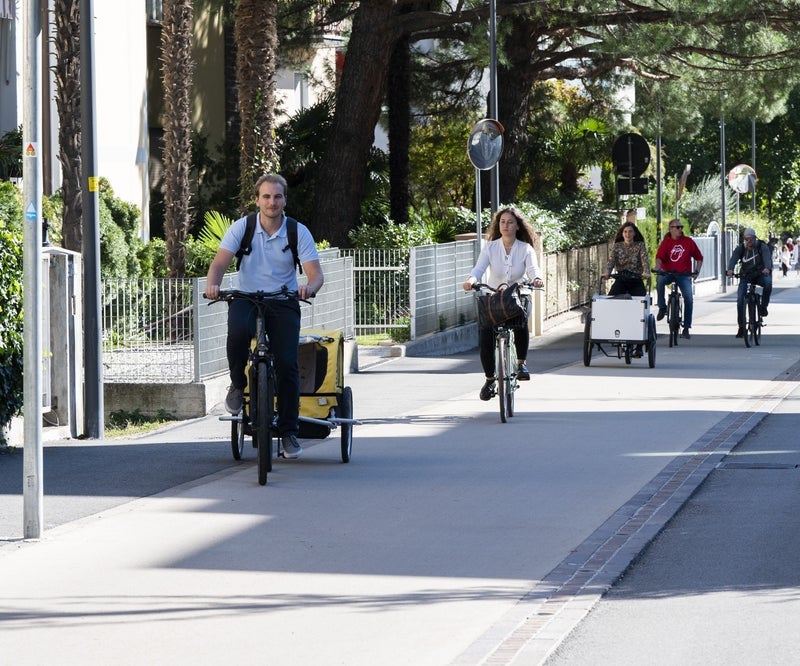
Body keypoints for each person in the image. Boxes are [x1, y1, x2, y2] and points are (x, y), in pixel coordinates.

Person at [205, 174, 324, 459]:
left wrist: (309, 287)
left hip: (283, 301)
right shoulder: (241, 228)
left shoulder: (297, 232)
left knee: (287, 363)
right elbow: (219, 263)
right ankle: (237, 384)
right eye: (267, 197)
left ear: (285, 200)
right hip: (247, 298)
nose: (272, 202)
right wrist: (213, 286)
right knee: (236, 336)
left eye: (278, 197)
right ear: (257, 200)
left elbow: (315, 274)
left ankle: (288, 433)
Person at [463, 207, 544, 401]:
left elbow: (533, 269)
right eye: (502, 222)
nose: (505, 226)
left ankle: (521, 363)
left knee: (522, 319)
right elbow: (478, 269)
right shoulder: (490, 247)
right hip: (495, 298)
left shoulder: (525, 248)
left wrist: (537, 279)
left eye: (510, 222)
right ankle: (490, 379)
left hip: (517, 296)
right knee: (486, 335)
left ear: (517, 226)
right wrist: (471, 280)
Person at [601, 217, 651, 357]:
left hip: (636, 279)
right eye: (625, 232)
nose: (628, 234)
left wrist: (646, 272)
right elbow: (611, 261)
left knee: (641, 307)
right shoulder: (617, 246)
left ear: (634, 233)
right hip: (621, 279)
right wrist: (607, 273)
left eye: (630, 232)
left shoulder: (640, 245)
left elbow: (644, 260)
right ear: (622, 234)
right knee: (610, 299)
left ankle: (639, 345)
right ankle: (614, 327)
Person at [654, 218, 703, 340]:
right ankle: (662, 307)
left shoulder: (688, 242)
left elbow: (699, 257)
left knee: (689, 298)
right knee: (660, 280)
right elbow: (659, 257)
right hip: (668, 272)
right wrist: (658, 267)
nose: (680, 229)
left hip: (684, 274)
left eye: (681, 227)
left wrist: (696, 271)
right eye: (677, 227)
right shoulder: (666, 242)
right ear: (671, 229)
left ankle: (686, 328)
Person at [726, 227, 773, 338]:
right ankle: (742, 327)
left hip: (760, 274)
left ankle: (763, 307)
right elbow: (734, 259)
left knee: (768, 284)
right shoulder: (741, 248)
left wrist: (767, 268)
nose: (748, 241)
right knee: (740, 299)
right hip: (745, 276)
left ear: (755, 238)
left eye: (750, 239)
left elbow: (767, 260)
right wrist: (730, 269)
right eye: (746, 239)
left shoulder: (762, 247)